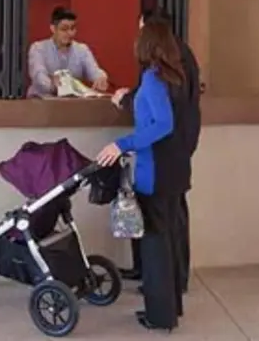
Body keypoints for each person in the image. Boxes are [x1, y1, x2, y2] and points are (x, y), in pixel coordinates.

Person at [96, 19, 190, 331]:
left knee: (154, 247)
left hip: (157, 171)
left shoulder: (152, 78)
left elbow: (162, 124)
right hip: (176, 168)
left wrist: (122, 144)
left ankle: (159, 315)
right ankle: (171, 307)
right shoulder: (176, 76)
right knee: (169, 241)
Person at [114, 10, 201, 293]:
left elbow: (160, 117)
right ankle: (167, 280)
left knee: (162, 225)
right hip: (178, 152)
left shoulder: (159, 69)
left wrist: (126, 104)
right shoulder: (178, 59)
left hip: (163, 156)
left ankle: (165, 283)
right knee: (170, 220)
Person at [27, 6, 109, 98]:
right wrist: (52, 85)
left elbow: (94, 71)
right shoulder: (38, 48)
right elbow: (38, 76)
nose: (70, 33)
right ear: (53, 29)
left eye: (73, 28)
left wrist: (101, 77)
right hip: (41, 102)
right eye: (64, 29)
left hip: (71, 103)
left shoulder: (82, 49)